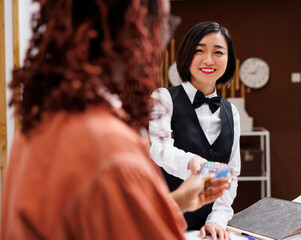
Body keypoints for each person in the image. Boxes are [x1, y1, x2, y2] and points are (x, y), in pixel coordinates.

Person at [1, 1, 230, 239]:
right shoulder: (112, 150)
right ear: (134, 30)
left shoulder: (41, 120)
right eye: (163, 26)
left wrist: (178, 201)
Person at [149, 21, 241, 240]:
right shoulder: (163, 98)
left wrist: (217, 218)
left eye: (218, 52)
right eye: (199, 51)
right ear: (187, 55)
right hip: (165, 224)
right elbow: (159, 149)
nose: (209, 60)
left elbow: (232, 174)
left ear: (228, 61)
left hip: (207, 232)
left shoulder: (232, 112)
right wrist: (189, 162)